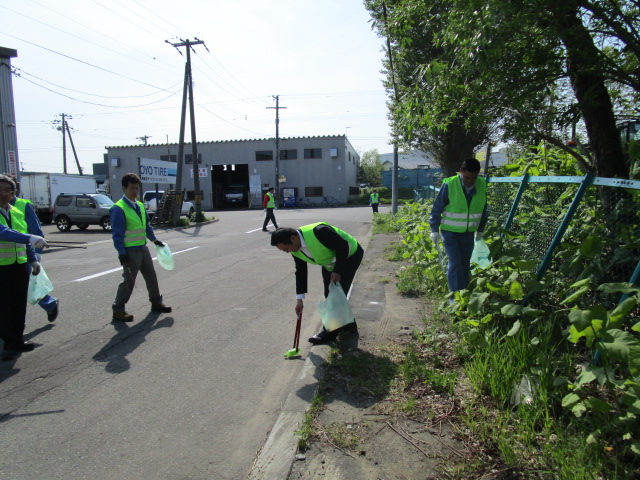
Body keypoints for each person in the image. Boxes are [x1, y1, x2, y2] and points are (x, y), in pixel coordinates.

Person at [270, 222, 363, 344]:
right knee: (329, 294)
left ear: (293, 238)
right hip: (329, 263)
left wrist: (338, 271)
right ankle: (349, 327)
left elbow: (343, 246)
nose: (287, 252)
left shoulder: (319, 231)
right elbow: (301, 272)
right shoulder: (295, 249)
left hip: (350, 255)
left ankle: (329, 331)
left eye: (286, 249)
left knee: (336, 296)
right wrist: (299, 299)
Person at [110, 173, 171, 322]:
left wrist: (155, 241)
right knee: (129, 281)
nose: (135, 191)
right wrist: (121, 253)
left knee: (151, 276)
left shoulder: (140, 206)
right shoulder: (118, 208)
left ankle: (156, 303)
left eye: (137, 188)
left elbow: (146, 227)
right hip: (129, 251)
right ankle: (118, 309)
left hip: (142, 248)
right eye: (131, 188)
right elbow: (117, 234)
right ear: (124, 188)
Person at [0, 174, 48, 360]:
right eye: (0, 190)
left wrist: (33, 260)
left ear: (13, 193)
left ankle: (18, 340)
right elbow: (4, 232)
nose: (3, 194)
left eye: (7, 190)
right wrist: (30, 238)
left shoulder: (17, 212)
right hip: (1, 267)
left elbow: (24, 237)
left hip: (19, 265)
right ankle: (9, 344)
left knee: (18, 305)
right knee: (3, 307)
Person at [429, 158, 488, 293]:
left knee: (465, 264)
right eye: (467, 177)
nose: (470, 181)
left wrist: (480, 230)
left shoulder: (482, 184)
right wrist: (434, 230)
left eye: (473, 178)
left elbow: (483, 209)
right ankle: (455, 298)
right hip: (450, 232)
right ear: (461, 171)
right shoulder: (450, 184)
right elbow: (437, 208)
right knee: (455, 263)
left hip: (468, 232)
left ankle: (464, 292)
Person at [8, 175, 59, 322]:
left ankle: (50, 304)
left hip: (21, 254)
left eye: (8, 189)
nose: (3, 193)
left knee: (29, 285)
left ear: (14, 190)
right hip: (4, 258)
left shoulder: (23, 205)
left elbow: (34, 230)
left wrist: (36, 254)